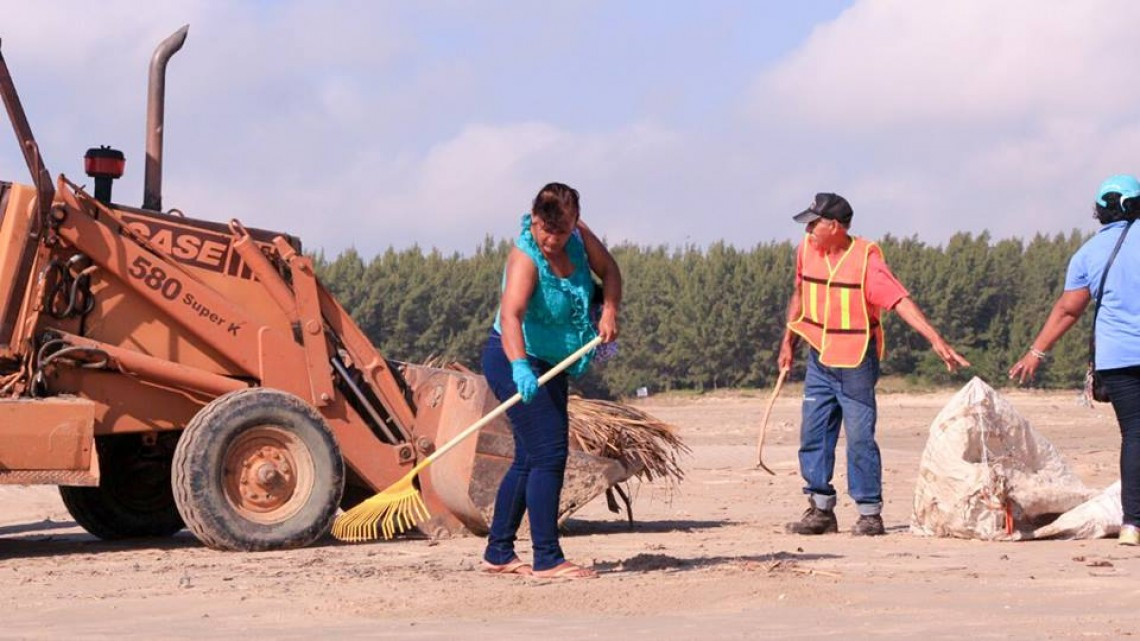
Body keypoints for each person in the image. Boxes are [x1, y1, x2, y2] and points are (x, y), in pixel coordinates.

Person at [778, 192, 970, 536]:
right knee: (813, 434)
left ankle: (869, 513)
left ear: (834, 225)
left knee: (860, 438)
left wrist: (935, 339)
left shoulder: (866, 259)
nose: (808, 231)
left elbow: (899, 301)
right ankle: (820, 509)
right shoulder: (806, 251)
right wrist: (787, 344)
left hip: (855, 362)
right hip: (818, 358)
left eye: (814, 223)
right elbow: (799, 293)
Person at [480, 182, 622, 578]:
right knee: (548, 454)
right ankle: (547, 558)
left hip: (555, 362)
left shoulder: (580, 237)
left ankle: (498, 552)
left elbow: (609, 271)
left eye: (559, 232)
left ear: (574, 223)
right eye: (545, 230)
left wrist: (609, 310)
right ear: (535, 219)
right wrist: (520, 367)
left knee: (529, 457)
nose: (550, 239)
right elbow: (511, 316)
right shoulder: (525, 257)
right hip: (514, 357)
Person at [1009, 174, 1140, 546]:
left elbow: (1069, 310)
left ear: (1100, 211)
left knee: (1135, 436)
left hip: (1116, 359)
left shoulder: (1088, 253)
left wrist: (1036, 352)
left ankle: (1133, 524)